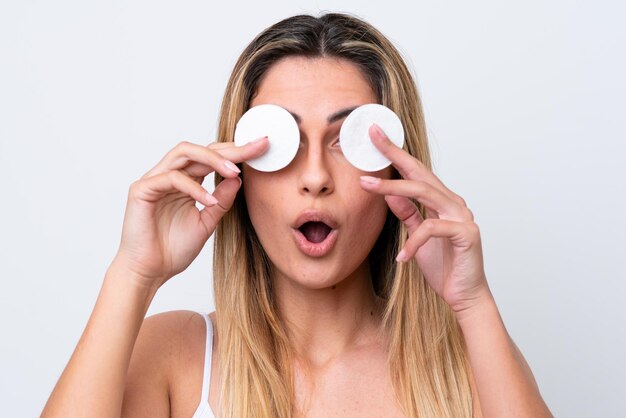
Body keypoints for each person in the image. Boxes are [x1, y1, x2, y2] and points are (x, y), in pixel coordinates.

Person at [41, 12, 552, 418]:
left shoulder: (464, 368)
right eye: (281, 144)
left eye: (347, 141)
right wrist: (133, 273)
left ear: (399, 171)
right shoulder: (178, 358)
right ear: (238, 168)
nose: (314, 176)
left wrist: (472, 303)